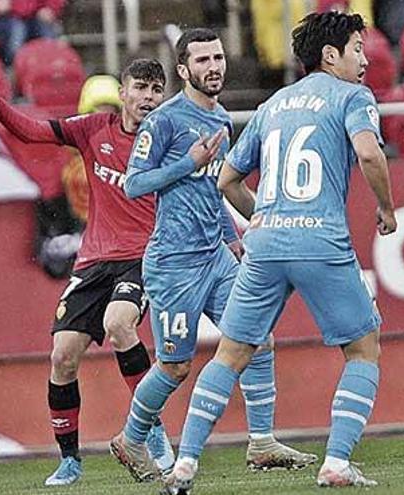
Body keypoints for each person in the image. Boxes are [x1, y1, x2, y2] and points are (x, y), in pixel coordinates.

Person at [163, 11, 397, 493]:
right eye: (357, 48)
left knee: (230, 353)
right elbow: (370, 153)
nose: (365, 59)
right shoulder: (353, 96)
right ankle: (335, 463)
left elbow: (227, 177)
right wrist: (387, 209)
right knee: (363, 348)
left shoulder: (273, 104)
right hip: (320, 239)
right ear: (330, 55)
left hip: (265, 242)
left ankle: (184, 465)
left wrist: (262, 217)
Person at [111, 27, 317, 483]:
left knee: (257, 338)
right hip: (173, 265)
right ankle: (131, 437)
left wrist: (234, 237)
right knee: (175, 366)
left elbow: (212, 190)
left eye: (218, 58)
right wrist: (189, 162)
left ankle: (261, 442)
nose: (214, 67)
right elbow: (134, 184)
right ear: (183, 70)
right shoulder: (163, 120)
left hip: (216, 255)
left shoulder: (222, 119)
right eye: (202, 60)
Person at [0, 57, 174, 486]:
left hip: (142, 257)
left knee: (119, 324)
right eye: (140, 88)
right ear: (124, 92)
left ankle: (150, 429)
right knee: (62, 355)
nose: (148, 98)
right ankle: (70, 461)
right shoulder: (92, 129)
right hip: (94, 261)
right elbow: (32, 132)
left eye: (156, 90)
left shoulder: (171, 138)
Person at [0, 0, 65, 65]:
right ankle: (15, 73)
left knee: (48, 39)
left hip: (31, 17)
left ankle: (49, 73)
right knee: (16, 36)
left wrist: (50, 8)